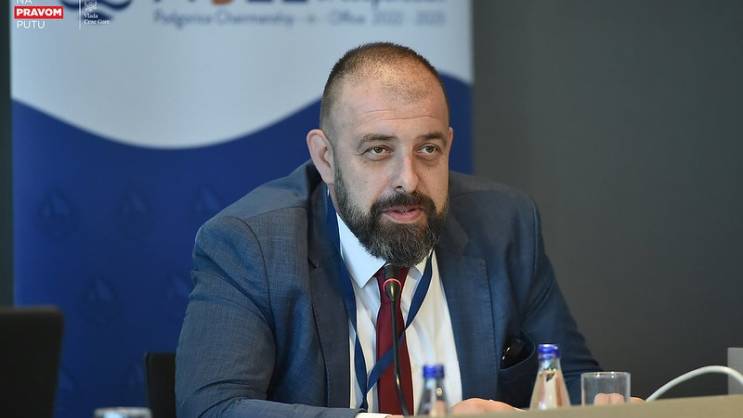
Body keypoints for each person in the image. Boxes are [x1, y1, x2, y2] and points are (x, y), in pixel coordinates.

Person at [176, 42, 600, 418]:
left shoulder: (505, 224)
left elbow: (576, 386)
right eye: (378, 150)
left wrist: (607, 402)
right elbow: (213, 408)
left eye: (428, 149)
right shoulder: (251, 244)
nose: (408, 181)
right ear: (325, 158)